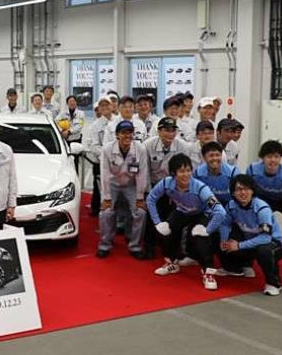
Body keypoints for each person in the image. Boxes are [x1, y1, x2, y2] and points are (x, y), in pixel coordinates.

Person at [147, 153, 226, 290]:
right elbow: (151, 198)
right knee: (166, 230)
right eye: (182, 171)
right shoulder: (166, 183)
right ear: (173, 173)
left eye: (188, 170)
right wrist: (157, 222)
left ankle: (208, 273)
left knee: (199, 237)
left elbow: (220, 212)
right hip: (182, 211)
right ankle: (172, 262)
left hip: (201, 214)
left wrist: (207, 230)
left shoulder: (201, 188)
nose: (186, 175)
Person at [246, 140, 282, 279]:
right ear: (263, 158)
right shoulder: (253, 170)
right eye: (269, 156)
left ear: (280, 158)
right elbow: (249, 190)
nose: (273, 160)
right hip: (264, 197)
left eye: (276, 157)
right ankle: (247, 259)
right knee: (251, 221)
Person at [219, 174, 282, 295]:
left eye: (246, 189)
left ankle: (274, 283)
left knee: (263, 250)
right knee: (219, 237)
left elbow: (265, 238)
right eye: (239, 189)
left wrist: (238, 245)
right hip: (250, 239)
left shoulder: (262, 208)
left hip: (273, 243)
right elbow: (224, 224)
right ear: (233, 193)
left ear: (252, 191)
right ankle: (240, 267)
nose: (243, 192)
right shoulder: (231, 206)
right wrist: (223, 240)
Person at [97, 120, 149, 259]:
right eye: (124, 132)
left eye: (130, 132)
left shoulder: (140, 149)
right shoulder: (107, 149)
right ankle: (105, 244)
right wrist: (107, 198)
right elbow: (104, 174)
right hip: (112, 184)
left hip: (131, 185)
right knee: (106, 212)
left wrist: (140, 197)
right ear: (117, 135)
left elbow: (142, 174)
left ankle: (135, 245)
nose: (127, 136)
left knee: (140, 212)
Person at [143, 117, 190, 256]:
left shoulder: (182, 146)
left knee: (175, 216)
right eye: (166, 130)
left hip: (174, 186)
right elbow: (145, 170)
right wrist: (148, 192)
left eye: (173, 131)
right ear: (159, 131)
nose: (170, 134)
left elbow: (184, 171)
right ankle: (150, 246)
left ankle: (172, 247)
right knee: (152, 215)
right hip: (154, 185)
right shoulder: (148, 145)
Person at [84, 96, 115, 216]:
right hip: (100, 162)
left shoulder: (118, 121)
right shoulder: (95, 125)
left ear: (112, 106)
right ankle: (97, 209)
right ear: (99, 109)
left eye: (107, 105)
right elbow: (94, 145)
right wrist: (106, 157)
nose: (105, 107)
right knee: (99, 188)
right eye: (102, 106)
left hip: (119, 163)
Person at [194, 141, 238, 207]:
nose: (215, 158)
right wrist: (216, 208)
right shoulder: (198, 174)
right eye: (211, 155)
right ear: (204, 157)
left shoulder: (233, 172)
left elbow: (238, 196)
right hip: (207, 208)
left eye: (217, 155)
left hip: (229, 207)